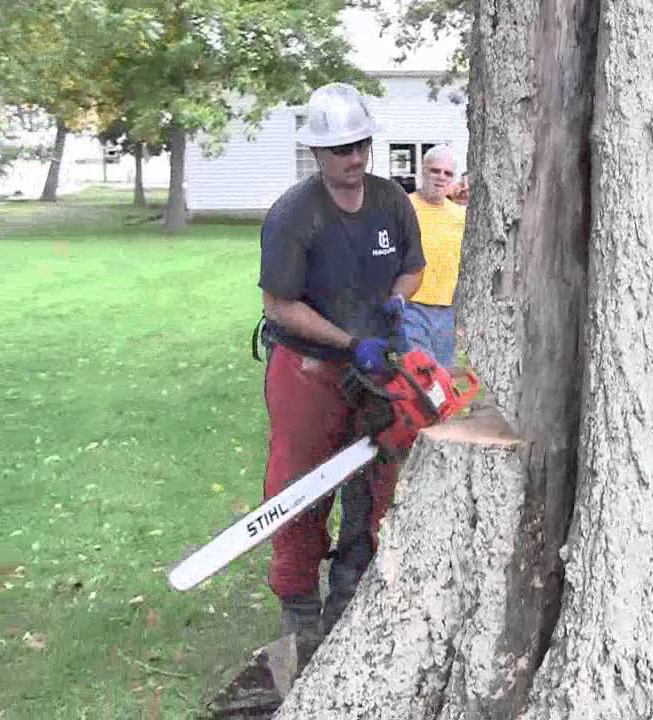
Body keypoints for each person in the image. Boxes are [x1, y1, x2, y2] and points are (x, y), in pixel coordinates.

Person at [256, 82, 424, 666]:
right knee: (299, 486)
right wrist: (349, 341)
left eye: (361, 145)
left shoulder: (390, 200)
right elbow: (280, 304)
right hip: (309, 367)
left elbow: (412, 268)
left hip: (377, 365)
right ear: (318, 154)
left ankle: (353, 597)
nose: (354, 158)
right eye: (341, 150)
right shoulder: (293, 214)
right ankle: (299, 612)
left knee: (379, 481)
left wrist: (399, 303)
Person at [400, 145, 465, 367]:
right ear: (423, 172)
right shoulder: (403, 207)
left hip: (446, 312)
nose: (440, 177)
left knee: (443, 379)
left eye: (447, 173)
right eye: (435, 170)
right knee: (422, 377)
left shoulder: (460, 216)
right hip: (411, 308)